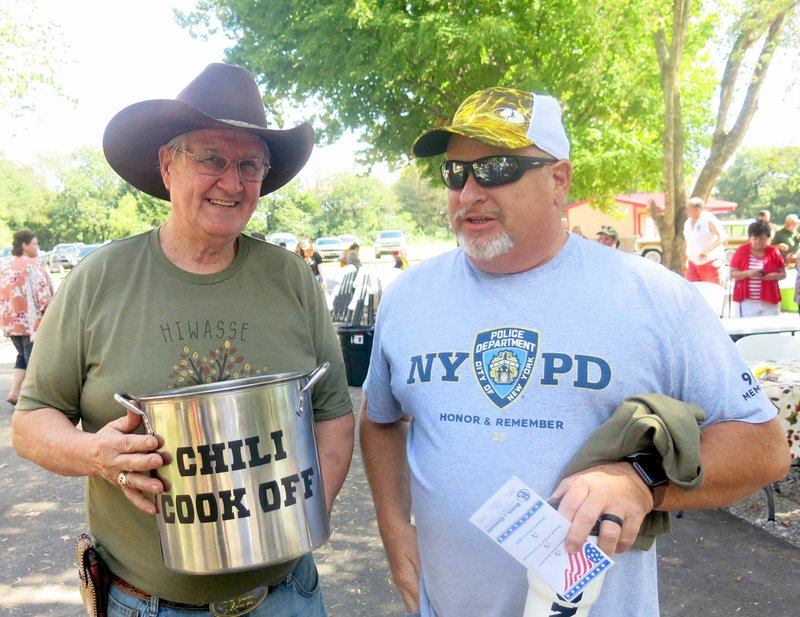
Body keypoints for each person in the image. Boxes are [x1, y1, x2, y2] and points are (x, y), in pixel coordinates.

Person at [359, 86, 789, 617]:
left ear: (558, 180)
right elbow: (381, 418)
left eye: (495, 169)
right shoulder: (408, 297)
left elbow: (765, 448)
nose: (468, 193)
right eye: (455, 173)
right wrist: (394, 528)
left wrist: (642, 480)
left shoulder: (652, 297)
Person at [11, 63, 354, 616]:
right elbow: (31, 421)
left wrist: (311, 509)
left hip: (287, 596)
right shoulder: (100, 279)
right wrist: (95, 454)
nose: (233, 182)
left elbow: (333, 411)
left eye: (250, 165)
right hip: (148, 604)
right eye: (212, 158)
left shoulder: (291, 278)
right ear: (167, 166)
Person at [0, 230, 54, 405]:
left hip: (9, 321)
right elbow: (44, 296)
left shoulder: (4, 265)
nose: (37, 248)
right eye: (35, 244)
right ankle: (31, 399)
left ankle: (15, 392)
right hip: (32, 323)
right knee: (34, 359)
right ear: (24, 246)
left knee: (22, 356)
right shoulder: (33, 265)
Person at [730, 220, 786, 317]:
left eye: (761, 239)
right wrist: (748, 273)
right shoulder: (741, 251)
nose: (758, 242)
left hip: (770, 301)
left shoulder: (774, 252)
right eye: (755, 239)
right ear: (750, 238)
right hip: (747, 301)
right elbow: (732, 273)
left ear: (768, 238)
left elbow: (783, 274)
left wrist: (773, 276)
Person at [683, 196, 727, 285]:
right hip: (693, 263)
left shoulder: (708, 220)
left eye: (689, 209)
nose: (686, 211)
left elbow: (722, 236)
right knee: (691, 290)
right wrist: (684, 259)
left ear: (697, 209)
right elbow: (686, 241)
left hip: (709, 263)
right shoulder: (687, 222)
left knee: (712, 291)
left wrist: (708, 250)